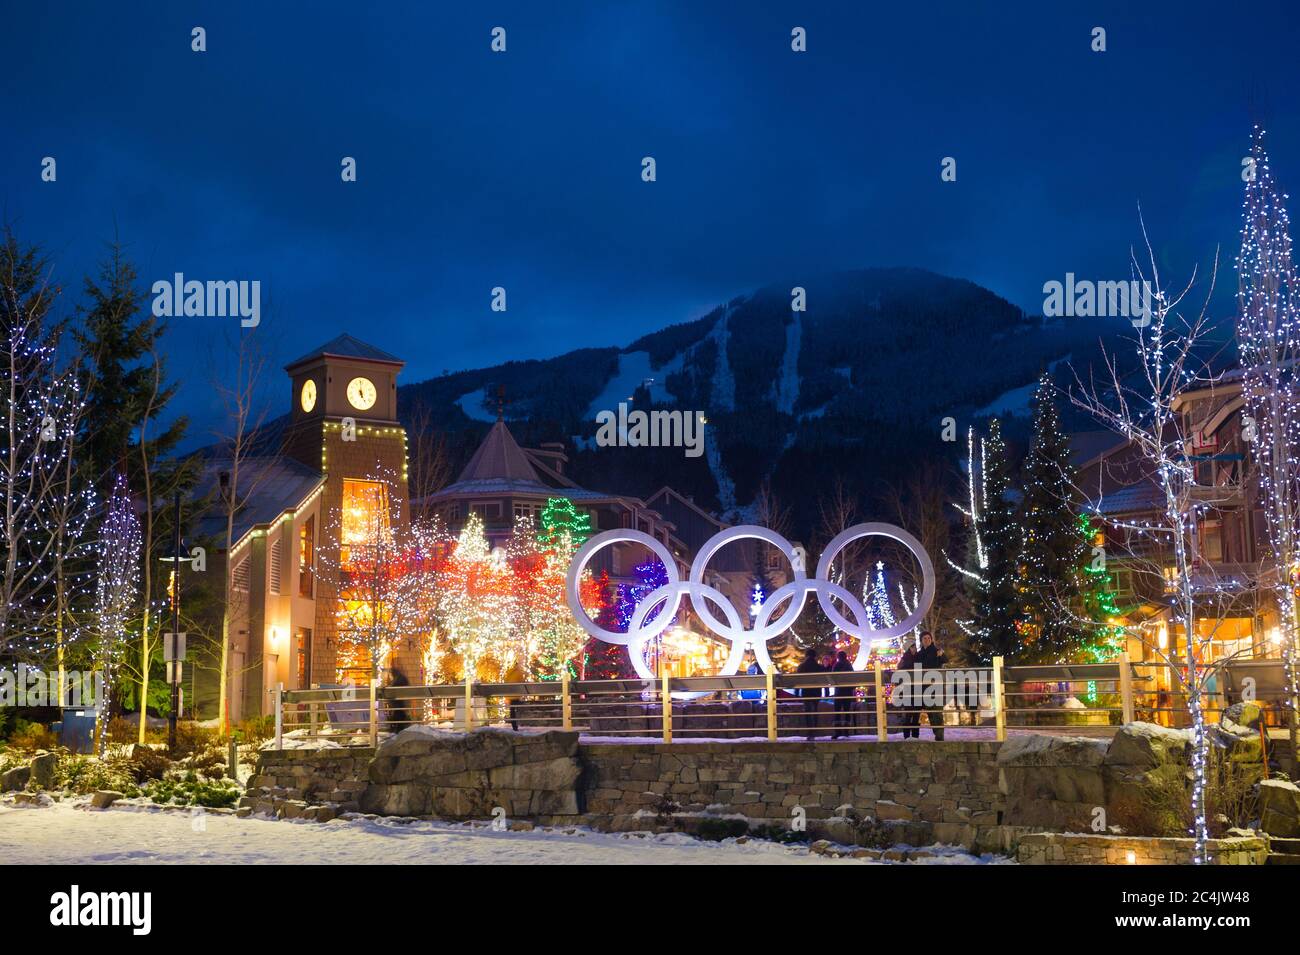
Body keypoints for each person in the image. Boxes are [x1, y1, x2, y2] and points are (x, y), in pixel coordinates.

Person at [916, 630, 946, 741]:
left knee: (937, 711)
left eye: (929, 638)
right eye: (925, 638)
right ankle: (937, 732)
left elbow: (945, 660)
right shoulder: (919, 654)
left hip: (936, 685)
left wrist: (941, 655)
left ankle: (940, 734)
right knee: (930, 711)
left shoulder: (936, 651)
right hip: (924, 687)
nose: (927, 640)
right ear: (921, 640)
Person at [796, 648, 825, 738]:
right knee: (815, 710)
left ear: (806, 656)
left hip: (806, 691)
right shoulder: (820, 667)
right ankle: (815, 730)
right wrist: (826, 691)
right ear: (815, 656)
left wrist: (797, 693)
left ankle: (810, 731)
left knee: (808, 711)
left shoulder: (802, 666)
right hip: (816, 691)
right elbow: (825, 679)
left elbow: (797, 680)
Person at [895, 638, 919, 738]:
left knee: (915, 714)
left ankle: (913, 736)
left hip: (915, 690)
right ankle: (909, 736)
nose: (915, 648)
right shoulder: (905, 660)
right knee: (910, 713)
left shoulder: (916, 658)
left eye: (914, 646)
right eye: (913, 647)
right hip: (909, 690)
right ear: (909, 648)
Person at [831, 650, 855, 738]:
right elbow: (853, 678)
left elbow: (833, 678)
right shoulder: (849, 665)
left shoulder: (837, 665)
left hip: (839, 692)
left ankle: (837, 731)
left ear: (838, 657)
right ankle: (846, 731)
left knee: (837, 712)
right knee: (847, 711)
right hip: (847, 692)